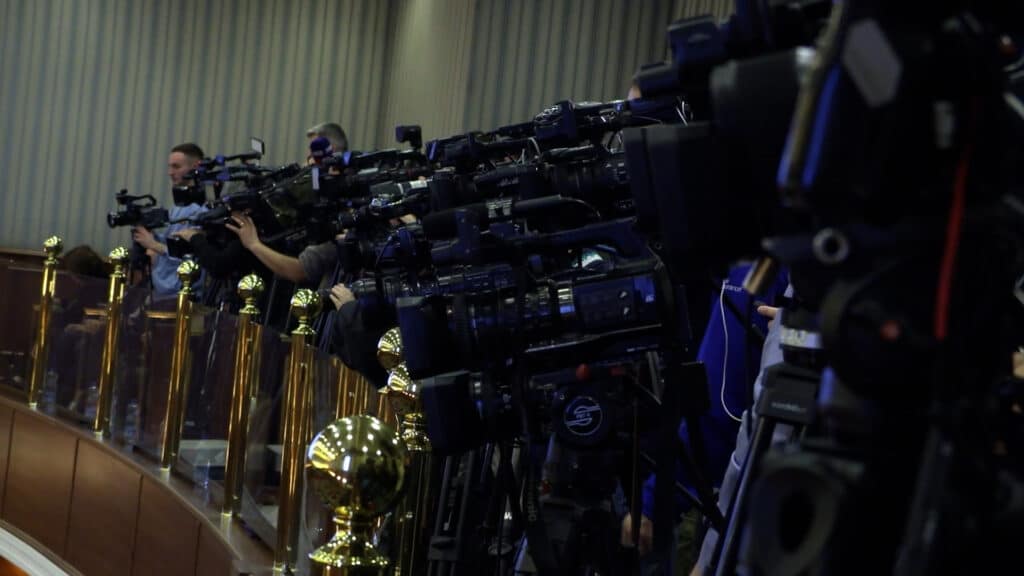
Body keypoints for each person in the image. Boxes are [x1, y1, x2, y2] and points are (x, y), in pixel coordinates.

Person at [130, 143, 207, 297]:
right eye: (170, 167)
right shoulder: (178, 207)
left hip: (183, 292)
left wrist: (153, 244)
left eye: (176, 167)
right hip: (161, 289)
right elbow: (168, 242)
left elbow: (189, 256)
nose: (170, 172)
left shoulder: (203, 211)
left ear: (196, 167)